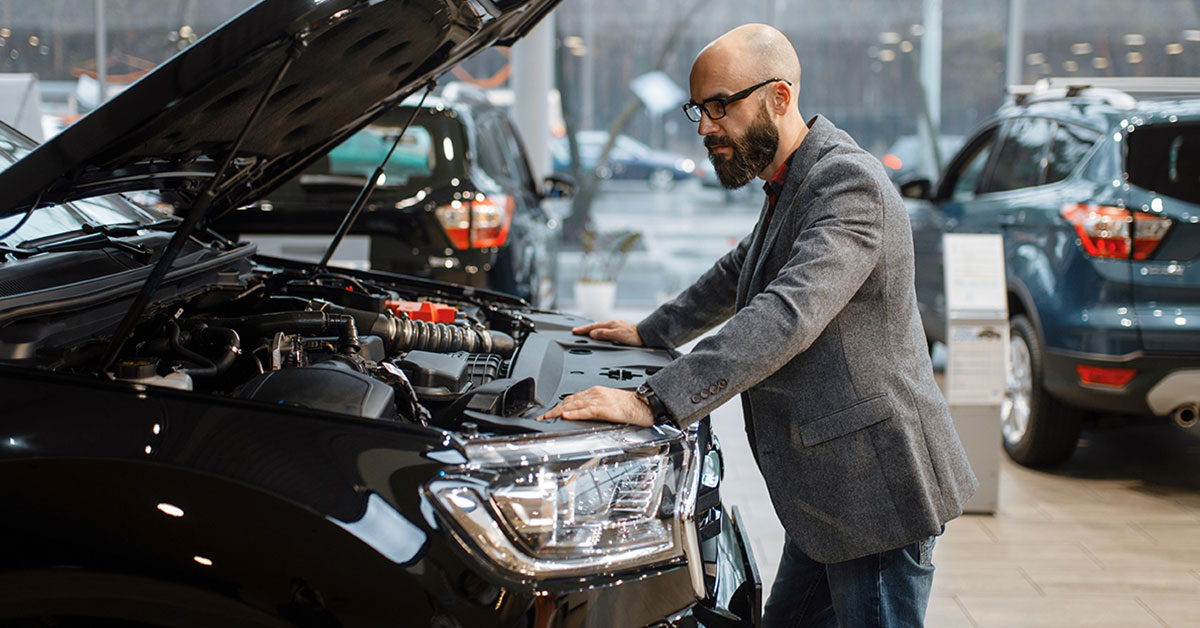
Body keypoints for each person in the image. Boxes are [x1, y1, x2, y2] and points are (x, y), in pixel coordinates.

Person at [539, 23, 977, 628]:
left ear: (779, 96)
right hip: (829, 495)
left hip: (874, 490)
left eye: (720, 106)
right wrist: (653, 330)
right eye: (700, 108)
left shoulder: (847, 184)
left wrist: (654, 402)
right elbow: (739, 271)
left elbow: (786, 315)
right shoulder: (793, 180)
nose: (704, 127)